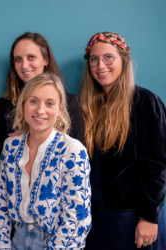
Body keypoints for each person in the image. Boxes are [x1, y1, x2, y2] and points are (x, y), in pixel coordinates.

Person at [80, 32, 166, 250]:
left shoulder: (145, 102)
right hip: (96, 215)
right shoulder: (88, 106)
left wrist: (149, 217)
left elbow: (156, 164)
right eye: (94, 59)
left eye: (109, 57)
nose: (101, 66)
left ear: (123, 60)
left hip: (133, 216)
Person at [0, 73, 91, 250]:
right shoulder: (10, 147)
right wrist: (1, 246)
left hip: (56, 242)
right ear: (23, 105)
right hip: (16, 240)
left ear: (60, 109)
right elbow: (1, 203)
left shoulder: (72, 151)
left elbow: (77, 218)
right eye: (34, 101)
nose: (40, 110)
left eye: (49, 103)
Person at [0, 32, 85, 175]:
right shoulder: (3, 105)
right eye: (18, 59)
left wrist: (35, 136)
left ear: (46, 60)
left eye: (31, 57)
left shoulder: (69, 102)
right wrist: (17, 143)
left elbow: (78, 157)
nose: (24, 65)